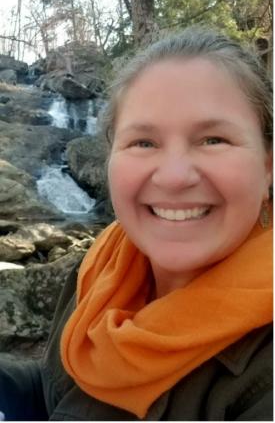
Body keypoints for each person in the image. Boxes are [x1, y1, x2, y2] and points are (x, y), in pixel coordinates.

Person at [0, 26, 272, 421]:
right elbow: (56, 396)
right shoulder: (102, 266)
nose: (174, 176)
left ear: (268, 166)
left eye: (213, 139)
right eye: (143, 142)